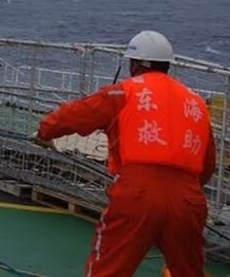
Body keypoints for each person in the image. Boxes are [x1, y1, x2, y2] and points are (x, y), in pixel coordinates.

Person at [34, 30, 215, 277]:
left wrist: (44, 131)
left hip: (137, 193)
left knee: (108, 267)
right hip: (188, 198)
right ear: (167, 65)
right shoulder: (196, 103)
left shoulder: (123, 92)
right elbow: (207, 165)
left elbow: (77, 114)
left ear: (134, 64)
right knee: (189, 270)